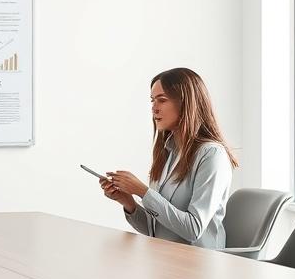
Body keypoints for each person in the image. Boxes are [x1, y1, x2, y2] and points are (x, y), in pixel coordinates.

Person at [100, 67, 237, 249]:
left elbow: (193, 229)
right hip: (166, 258)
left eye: (162, 100)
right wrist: (128, 202)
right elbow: (155, 231)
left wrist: (143, 191)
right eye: (152, 100)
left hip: (199, 266)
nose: (154, 108)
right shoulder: (169, 152)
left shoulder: (212, 155)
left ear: (186, 103)